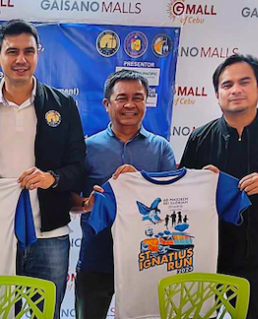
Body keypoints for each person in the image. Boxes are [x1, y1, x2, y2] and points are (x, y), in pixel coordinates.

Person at [0, 19, 86, 307]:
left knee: (46, 312)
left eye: (29, 51)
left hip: (50, 236)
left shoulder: (63, 106)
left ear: (38, 55)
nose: (21, 59)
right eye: (12, 52)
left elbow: (78, 169)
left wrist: (51, 178)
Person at [179, 54, 258, 319]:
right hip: (205, 259)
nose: (235, 90)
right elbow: (180, 197)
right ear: (217, 94)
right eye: (227, 85)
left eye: (244, 82)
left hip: (256, 259)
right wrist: (199, 182)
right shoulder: (200, 138)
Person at [73, 69, 176, 319]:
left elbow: (173, 202)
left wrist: (138, 182)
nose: (130, 104)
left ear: (146, 103)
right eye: (122, 98)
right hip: (97, 256)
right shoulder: (87, 148)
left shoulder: (161, 148)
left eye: (138, 97)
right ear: (107, 104)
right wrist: (87, 204)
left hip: (148, 258)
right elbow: (70, 200)